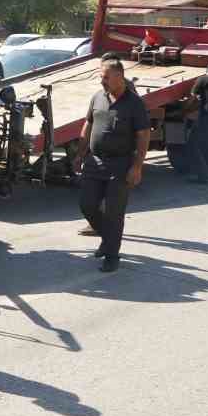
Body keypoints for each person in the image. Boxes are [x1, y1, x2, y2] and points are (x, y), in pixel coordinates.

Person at [74, 54, 150, 273]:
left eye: (106, 77)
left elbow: (143, 135)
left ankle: (112, 255)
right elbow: (87, 125)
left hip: (120, 164)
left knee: (114, 213)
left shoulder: (134, 103)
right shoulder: (98, 97)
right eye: (101, 76)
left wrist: (137, 166)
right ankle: (107, 240)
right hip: (94, 161)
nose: (102, 81)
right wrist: (80, 154)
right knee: (86, 204)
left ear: (119, 77)